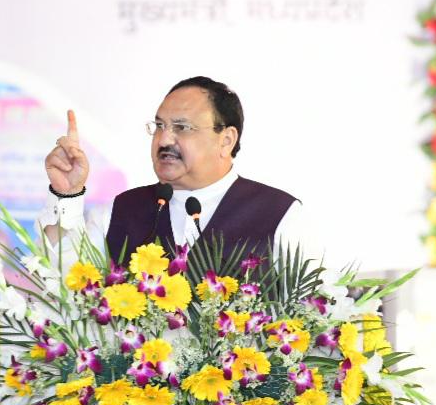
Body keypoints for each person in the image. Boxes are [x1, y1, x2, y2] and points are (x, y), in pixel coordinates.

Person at [37, 76, 304, 267]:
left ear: (226, 140)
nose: (164, 140)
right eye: (159, 126)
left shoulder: (280, 215)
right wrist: (66, 195)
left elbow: (313, 319)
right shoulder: (121, 211)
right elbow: (64, 289)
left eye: (182, 127)